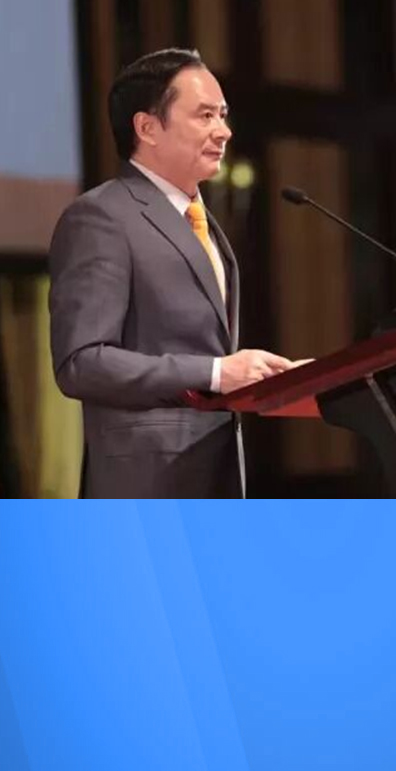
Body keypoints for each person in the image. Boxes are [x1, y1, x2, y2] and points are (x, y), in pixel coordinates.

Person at [49, 47, 294, 498]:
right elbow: (81, 363)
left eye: (223, 115)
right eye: (205, 116)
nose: (224, 131)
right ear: (147, 128)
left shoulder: (204, 222)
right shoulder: (102, 217)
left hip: (217, 480)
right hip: (146, 487)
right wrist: (216, 372)